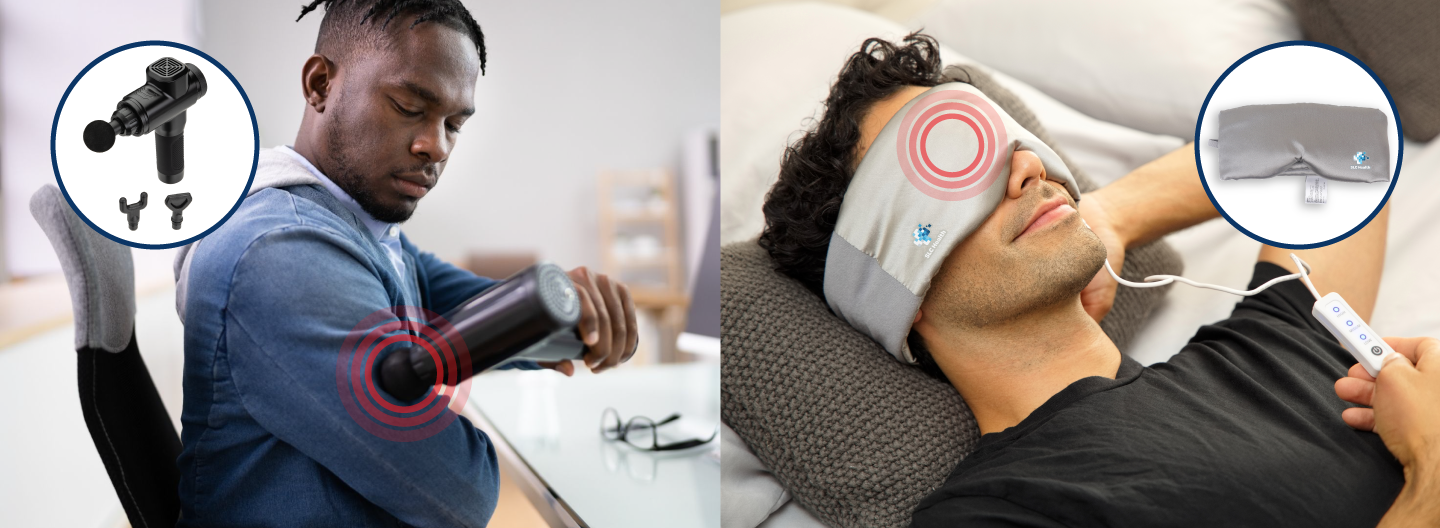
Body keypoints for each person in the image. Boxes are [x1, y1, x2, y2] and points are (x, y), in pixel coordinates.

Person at [760, 33, 1439, 526]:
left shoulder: (1280, 340)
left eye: (1009, 143)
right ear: (887, 289)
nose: (1027, 169)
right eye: (951, 164)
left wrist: (1110, 213)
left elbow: (1336, 133)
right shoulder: (999, 511)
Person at [172, 1, 637, 526]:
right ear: (320, 83)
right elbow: (460, 488)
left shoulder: (355, 227)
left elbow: (463, 307)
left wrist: (573, 312)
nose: (435, 147)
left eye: (454, 124)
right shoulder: (282, 254)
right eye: (409, 107)